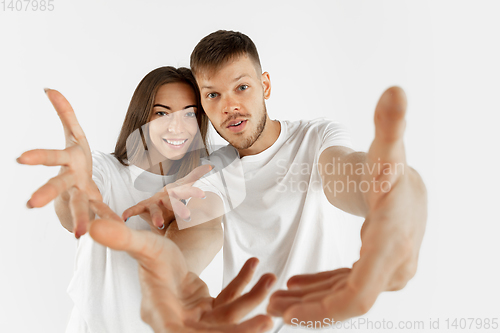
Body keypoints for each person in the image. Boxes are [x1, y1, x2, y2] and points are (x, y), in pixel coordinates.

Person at [121, 30, 427, 332]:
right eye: (213, 94)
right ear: (202, 103)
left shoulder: (316, 138)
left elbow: (348, 174)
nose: (229, 106)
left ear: (265, 85)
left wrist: (397, 190)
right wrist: (173, 279)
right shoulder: (213, 170)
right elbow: (201, 227)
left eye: (241, 87)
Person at [17, 66, 222, 332]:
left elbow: (200, 242)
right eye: (162, 113)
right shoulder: (106, 169)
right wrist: (72, 186)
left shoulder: (198, 183)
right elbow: (73, 214)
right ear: (141, 117)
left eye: (189, 114)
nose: (177, 126)